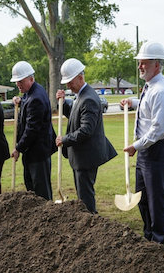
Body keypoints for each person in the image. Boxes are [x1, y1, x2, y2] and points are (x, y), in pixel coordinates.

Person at [120, 42, 164, 246]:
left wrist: (136, 145)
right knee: (143, 197)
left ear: (156, 65)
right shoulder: (152, 86)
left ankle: (159, 240)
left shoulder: (160, 90)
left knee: (155, 199)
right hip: (147, 149)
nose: (140, 67)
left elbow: (159, 129)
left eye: (143, 63)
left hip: (156, 149)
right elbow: (148, 107)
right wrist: (133, 102)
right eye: (139, 63)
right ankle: (148, 235)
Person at [56, 58, 117, 214]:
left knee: (85, 196)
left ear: (80, 77)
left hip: (87, 156)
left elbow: (86, 130)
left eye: (70, 81)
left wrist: (64, 140)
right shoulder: (81, 95)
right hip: (81, 156)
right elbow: (75, 118)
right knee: (82, 194)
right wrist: (62, 104)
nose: (67, 85)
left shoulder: (88, 98)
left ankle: (91, 222)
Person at [10, 61, 56, 200]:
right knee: (32, 187)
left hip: (38, 151)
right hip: (34, 151)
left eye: (21, 81)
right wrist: (21, 101)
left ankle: (47, 216)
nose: (18, 85)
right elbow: (27, 101)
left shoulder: (36, 98)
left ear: (31, 78)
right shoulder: (32, 91)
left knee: (40, 190)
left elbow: (32, 129)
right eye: (17, 82)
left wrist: (18, 148)